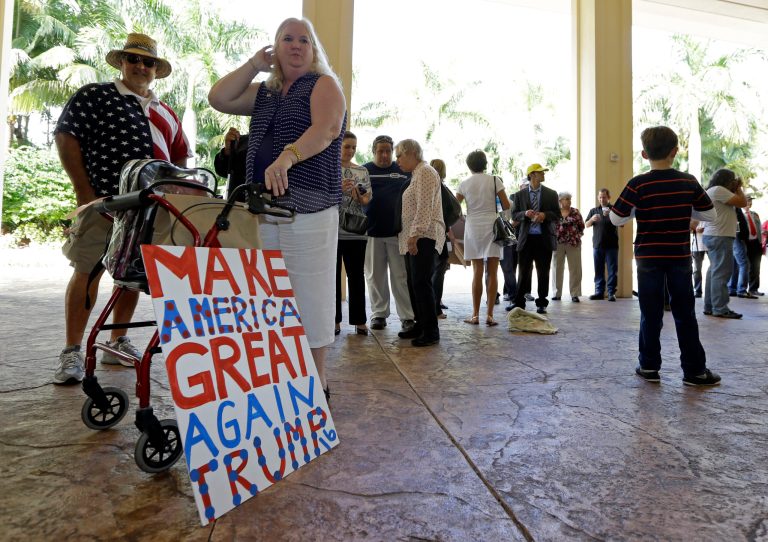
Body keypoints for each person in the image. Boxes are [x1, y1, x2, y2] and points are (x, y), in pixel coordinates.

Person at [208, 17, 346, 399]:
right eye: (287, 39)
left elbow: (328, 129)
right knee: (269, 299)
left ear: (314, 49)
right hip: (262, 209)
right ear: (275, 47)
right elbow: (218, 98)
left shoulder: (323, 84)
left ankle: (317, 386)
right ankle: (281, 381)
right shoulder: (265, 91)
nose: (296, 45)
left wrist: (288, 157)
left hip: (310, 207)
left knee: (311, 297)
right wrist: (254, 65)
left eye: (304, 39)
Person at [53, 33, 192, 385]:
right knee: (87, 269)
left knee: (131, 277)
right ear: (121, 63)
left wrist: (175, 193)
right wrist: (84, 193)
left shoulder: (166, 113)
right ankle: (71, 351)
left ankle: (117, 340)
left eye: (148, 62)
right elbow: (67, 137)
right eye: (133, 59)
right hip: (103, 202)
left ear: (157, 70)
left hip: (149, 211)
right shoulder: (95, 96)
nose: (140, 66)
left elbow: (179, 156)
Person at [611, 126, 720, 386]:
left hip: (647, 257)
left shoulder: (638, 183)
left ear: (644, 154)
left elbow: (616, 218)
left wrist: (638, 211)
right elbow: (710, 215)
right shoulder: (688, 181)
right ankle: (694, 371)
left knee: (650, 313)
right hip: (678, 255)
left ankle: (649, 366)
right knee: (685, 313)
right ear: (675, 152)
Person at [394, 139, 445, 347]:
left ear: (412, 153)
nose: (397, 160)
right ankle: (421, 324)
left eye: (399, 155)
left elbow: (425, 208)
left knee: (421, 283)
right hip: (414, 237)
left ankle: (431, 331)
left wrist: (414, 235)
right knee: (414, 283)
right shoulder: (417, 173)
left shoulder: (425, 172)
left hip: (423, 237)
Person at [363, 135, 415, 331]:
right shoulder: (364, 170)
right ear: (373, 151)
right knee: (375, 276)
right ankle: (379, 314)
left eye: (388, 151)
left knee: (401, 276)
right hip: (372, 232)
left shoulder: (402, 171)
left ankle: (407, 317)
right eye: (380, 151)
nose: (384, 155)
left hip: (397, 234)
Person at [456, 150, 510, 325]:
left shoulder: (464, 183)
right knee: (493, 271)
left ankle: (475, 315)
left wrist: (465, 216)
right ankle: (490, 315)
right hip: (492, 225)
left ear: (469, 165)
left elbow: (455, 207)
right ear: (485, 164)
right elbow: (506, 204)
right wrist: (501, 217)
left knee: (477, 271)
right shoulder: (495, 180)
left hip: (473, 226)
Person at [510, 163, 560, 314]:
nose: (543, 174)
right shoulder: (519, 195)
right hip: (526, 239)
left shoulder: (551, 194)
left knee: (543, 272)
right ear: (532, 175)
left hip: (543, 239)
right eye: (540, 172)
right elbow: (514, 215)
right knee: (523, 272)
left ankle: (542, 303)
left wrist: (545, 215)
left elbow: (557, 214)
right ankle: (519, 303)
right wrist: (525, 214)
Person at [336, 132, 372, 336]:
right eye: (347, 146)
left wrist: (358, 195)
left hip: (356, 231)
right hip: (331, 231)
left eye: (354, 147)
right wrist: (338, 190)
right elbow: (321, 197)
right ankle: (334, 321)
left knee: (356, 276)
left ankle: (359, 321)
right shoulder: (328, 168)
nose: (350, 151)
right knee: (331, 277)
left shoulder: (362, 171)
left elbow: (367, 201)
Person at [702, 169, 748, 319]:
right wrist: (739, 188)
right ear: (727, 180)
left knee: (714, 272)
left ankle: (710, 306)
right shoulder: (719, 190)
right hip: (720, 236)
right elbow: (743, 202)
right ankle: (720, 308)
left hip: (714, 235)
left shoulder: (713, 190)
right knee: (721, 273)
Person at [586, 188, 619, 301]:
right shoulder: (594, 210)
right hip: (597, 245)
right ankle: (599, 292)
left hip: (612, 245)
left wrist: (612, 214)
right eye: (600, 197)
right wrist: (591, 219)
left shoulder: (615, 209)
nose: (601, 199)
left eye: (604, 197)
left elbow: (622, 224)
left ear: (609, 197)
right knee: (598, 270)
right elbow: (586, 225)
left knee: (612, 270)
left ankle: (611, 293)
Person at [550, 191, 584, 302]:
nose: (569, 201)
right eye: (566, 199)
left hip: (573, 243)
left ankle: (575, 294)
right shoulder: (554, 212)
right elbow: (550, 227)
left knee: (575, 269)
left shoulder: (575, 212)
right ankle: (556, 293)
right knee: (556, 268)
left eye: (570, 199)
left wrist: (576, 236)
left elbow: (581, 226)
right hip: (558, 243)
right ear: (560, 201)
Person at [430, 158, 452, 319]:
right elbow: (451, 211)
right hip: (439, 233)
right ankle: (436, 307)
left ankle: (428, 307)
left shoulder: (425, 186)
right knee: (439, 270)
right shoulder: (442, 189)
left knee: (428, 271)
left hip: (425, 234)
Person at [213, 127, 249, 197]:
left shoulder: (275, 145)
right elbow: (222, 170)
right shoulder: (241, 141)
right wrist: (227, 150)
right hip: (236, 202)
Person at [728, 203, 754, 298]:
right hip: (737, 236)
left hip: (734, 235)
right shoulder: (734, 205)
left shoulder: (733, 205)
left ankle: (732, 288)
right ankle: (741, 290)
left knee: (735, 264)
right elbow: (738, 222)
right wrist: (742, 236)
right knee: (744, 263)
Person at [744, 196, 763, 296]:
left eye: (751, 201)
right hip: (746, 243)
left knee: (756, 266)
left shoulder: (755, 214)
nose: (750, 203)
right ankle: (741, 288)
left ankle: (754, 288)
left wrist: (761, 242)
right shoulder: (739, 214)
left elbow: (759, 229)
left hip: (756, 242)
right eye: (748, 200)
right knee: (745, 266)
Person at [690, 221, 707, 298]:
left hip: (710, 244)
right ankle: (697, 290)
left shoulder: (709, 214)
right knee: (697, 270)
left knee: (715, 269)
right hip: (697, 246)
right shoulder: (693, 214)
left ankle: (712, 290)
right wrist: (695, 229)